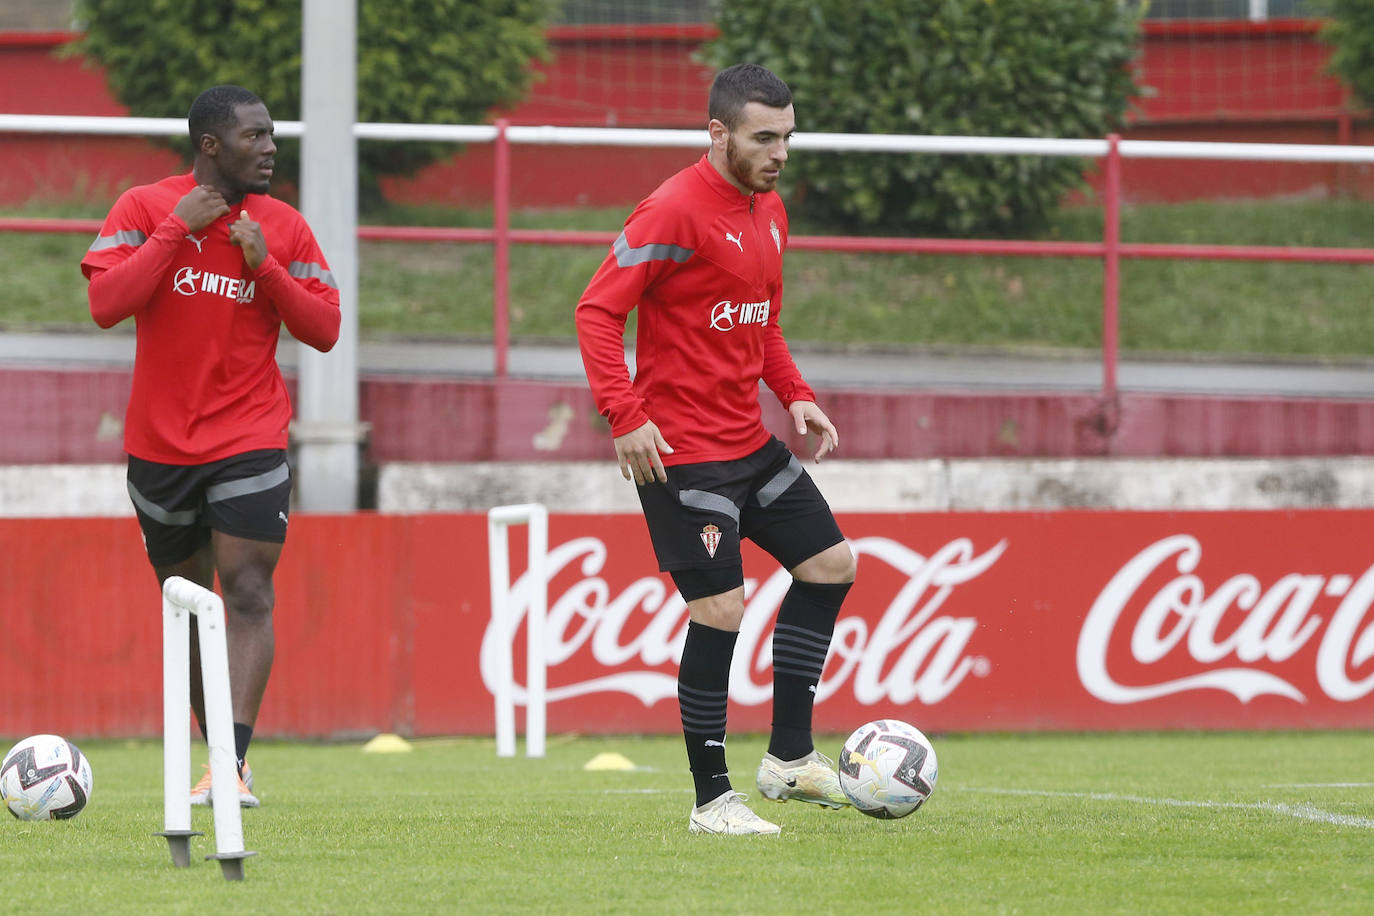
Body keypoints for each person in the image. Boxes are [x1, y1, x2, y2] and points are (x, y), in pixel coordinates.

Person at [576, 63, 857, 835]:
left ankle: (790, 758)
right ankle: (711, 802)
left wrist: (794, 392)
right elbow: (597, 313)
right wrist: (624, 415)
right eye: (765, 138)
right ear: (718, 133)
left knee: (832, 565)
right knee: (721, 608)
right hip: (680, 450)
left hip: (747, 439)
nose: (780, 153)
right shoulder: (671, 209)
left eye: (788, 138)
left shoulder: (771, 211)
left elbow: (760, 319)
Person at [82, 85, 341, 808]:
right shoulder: (143, 208)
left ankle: (230, 764)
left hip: (250, 436)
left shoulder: (283, 226)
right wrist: (173, 231)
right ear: (211, 146)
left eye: (271, 136)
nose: (270, 149)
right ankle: (221, 756)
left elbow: (325, 330)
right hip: (159, 448)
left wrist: (266, 267)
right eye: (255, 137)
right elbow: (105, 306)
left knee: (248, 588)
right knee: (188, 603)